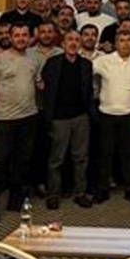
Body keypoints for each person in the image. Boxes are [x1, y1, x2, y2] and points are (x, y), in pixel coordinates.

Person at [0, 23, 43, 222]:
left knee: (22, 161)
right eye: (17, 35)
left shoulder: (34, 59)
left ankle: (14, 200)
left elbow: (38, 82)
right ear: (10, 37)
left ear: (29, 37)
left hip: (29, 117)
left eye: (24, 35)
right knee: (0, 162)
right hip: (5, 119)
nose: (21, 38)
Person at [41, 31, 95, 210]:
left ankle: (80, 193)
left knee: (81, 158)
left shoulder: (86, 65)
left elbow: (88, 92)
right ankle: (53, 194)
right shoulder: (52, 63)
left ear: (80, 44)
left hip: (81, 117)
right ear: (63, 44)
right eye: (70, 40)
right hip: (59, 118)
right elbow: (44, 88)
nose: (73, 43)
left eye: (77, 40)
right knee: (56, 159)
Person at [94, 31, 130, 203]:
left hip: (129, 114)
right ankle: (102, 189)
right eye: (121, 40)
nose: (125, 44)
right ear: (116, 44)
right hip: (106, 114)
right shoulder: (104, 60)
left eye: (129, 40)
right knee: (105, 153)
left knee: (128, 154)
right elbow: (85, 70)